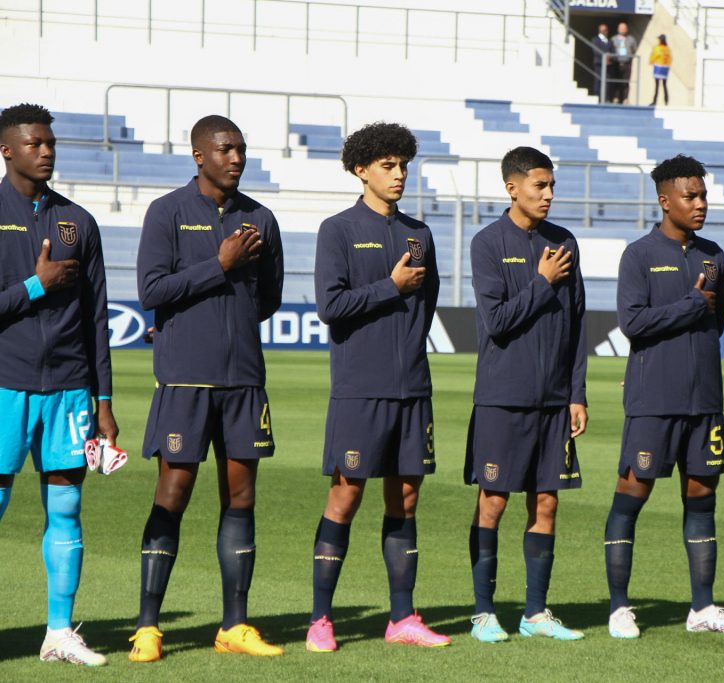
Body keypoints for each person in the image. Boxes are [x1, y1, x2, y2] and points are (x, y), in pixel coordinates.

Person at [130, 115, 285, 661]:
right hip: (185, 382)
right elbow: (151, 288)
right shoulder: (167, 212)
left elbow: (268, 298)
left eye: (241, 149)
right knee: (171, 495)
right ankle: (148, 626)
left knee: (241, 499)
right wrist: (217, 266)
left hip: (244, 382)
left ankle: (234, 626)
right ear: (199, 155)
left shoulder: (261, 218)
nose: (236, 158)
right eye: (225, 149)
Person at [306, 122, 447, 652]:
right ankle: (321, 619)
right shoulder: (338, 229)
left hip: (413, 388)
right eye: (387, 166)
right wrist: (390, 287)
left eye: (403, 165)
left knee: (406, 502)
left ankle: (402, 617)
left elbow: (425, 306)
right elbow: (331, 306)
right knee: (345, 497)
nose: (398, 174)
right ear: (360, 170)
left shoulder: (421, 234)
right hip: (359, 391)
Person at [603, 154, 724, 638]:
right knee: (631, 498)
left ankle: (703, 608)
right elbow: (633, 323)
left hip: (705, 402)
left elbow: (718, 322)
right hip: (654, 401)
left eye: (703, 194)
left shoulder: (714, 255)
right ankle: (620, 607)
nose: (700, 203)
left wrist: (697, 318)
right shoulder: (639, 254)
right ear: (664, 200)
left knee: (702, 498)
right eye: (690, 196)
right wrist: (689, 304)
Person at [0, 103, 117, 667]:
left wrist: (105, 403)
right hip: (5, 387)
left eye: (50, 143)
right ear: (7, 150)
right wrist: (34, 284)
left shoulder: (79, 222)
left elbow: (97, 320)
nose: (46, 151)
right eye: (33, 143)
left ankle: (58, 633)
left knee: (66, 508)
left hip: (70, 390)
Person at [465, 146, 588, 643]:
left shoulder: (565, 242)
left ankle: (535, 613)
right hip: (502, 397)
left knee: (547, 504)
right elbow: (497, 322)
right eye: (540, 186)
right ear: (512, 187)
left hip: (554, 401)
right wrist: (541, 282)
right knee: (492, 501)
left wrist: (576, 392)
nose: (549, 195)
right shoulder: (487, 243)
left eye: (552, 185)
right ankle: (482, 612)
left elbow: (578, 324)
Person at [610, 22, 637, 104]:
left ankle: (625, 98)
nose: (622, 30)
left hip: (627, 63)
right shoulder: (613, 39)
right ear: (618, 29)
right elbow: (610, 49)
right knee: (616, 81)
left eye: (624, 28)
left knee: (626, 82)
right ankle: (616, 97)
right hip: (616, 63)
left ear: (627, 29)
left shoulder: (631, 39)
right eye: (621, 28)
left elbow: (634, 50)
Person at [591, 23, 614, 99]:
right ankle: (597, 96)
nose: (604, 32)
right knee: (598, 80)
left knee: (607, 81)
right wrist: (604, 58)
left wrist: (610, 58)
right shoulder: (595, 40)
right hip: (599, 64)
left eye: (605, 30)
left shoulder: (609, 41)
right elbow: (596, 51)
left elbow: (612, 51)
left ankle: (606, 97)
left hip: (608, 65)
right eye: (602, 30)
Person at [648, 34, 671, 106]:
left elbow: (653, 57)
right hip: (665, 68)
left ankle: (654, 101)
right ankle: (666, 101)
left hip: (658, 68)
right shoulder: (667, 49)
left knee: (657, 85)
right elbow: (670, 58)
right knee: (664, 85)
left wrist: (651, 61)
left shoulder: (657, 48)